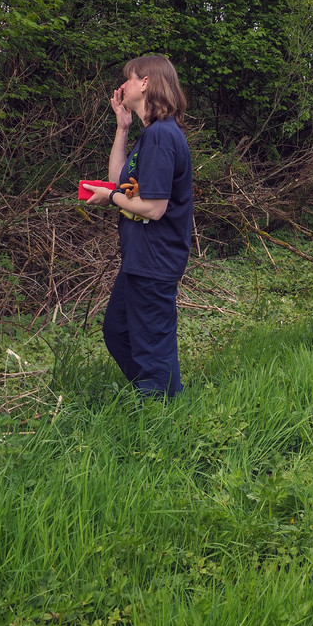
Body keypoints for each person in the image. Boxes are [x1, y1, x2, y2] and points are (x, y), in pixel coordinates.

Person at [84, 55, 194, 399]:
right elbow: (120, 179)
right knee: (118, 331)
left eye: (128, 79)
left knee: (150, 343)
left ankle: (158, 409)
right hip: (141, 257)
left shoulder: (162, 136)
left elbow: (154, 207)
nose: (123, 86)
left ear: (145, 83)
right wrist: (121, 127)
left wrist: (111, 197)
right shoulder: (151, 135)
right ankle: (164, 396)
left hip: (155, 258)